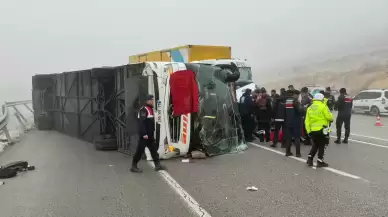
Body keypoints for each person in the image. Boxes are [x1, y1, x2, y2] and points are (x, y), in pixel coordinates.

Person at [131, 95, 165, 172]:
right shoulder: (143, 110)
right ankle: (133, 166)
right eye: (151, 100)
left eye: (152, 100)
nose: (153, 101)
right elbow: (142, 123)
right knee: (139, 151)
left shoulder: (150, 109)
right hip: (145, 135)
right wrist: (144, 134)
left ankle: (158, 165)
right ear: (147, 101)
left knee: (153, 150)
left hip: (150, 135)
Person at [305, 93, 333, 167]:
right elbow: (330, 117)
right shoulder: (323, 106)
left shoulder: (310, 108)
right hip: (322, 130)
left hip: (313, 130)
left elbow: (306, 121)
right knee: (322, 145)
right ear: (322, 99)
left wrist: (308, 131)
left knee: (315, 145)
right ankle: (320, 161)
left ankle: (309, 159)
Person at [284, 90, 303, 157]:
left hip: (288, 122)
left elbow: (285, 112)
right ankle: (298, 153)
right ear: (296, 95)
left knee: (288, 138)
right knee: (297, 138)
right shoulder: (296, 101)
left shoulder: (287, 101)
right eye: (298, 95)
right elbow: (300, 111)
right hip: (296, 122)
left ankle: (288, 152)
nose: (298, 97)